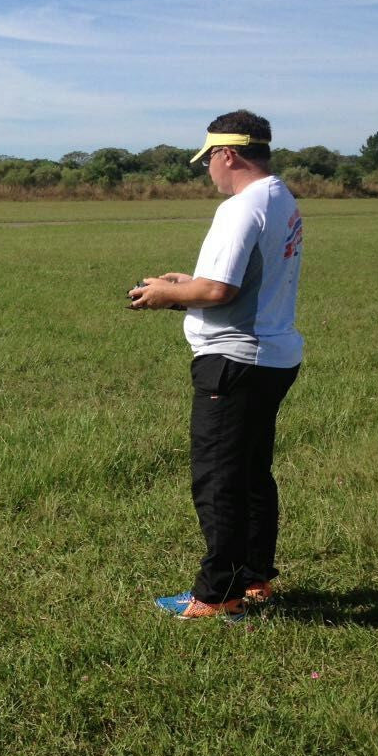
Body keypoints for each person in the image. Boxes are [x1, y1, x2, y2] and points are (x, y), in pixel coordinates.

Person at [129, 110, 303, 620]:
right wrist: (187, 284)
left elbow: (220, 290)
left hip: (233, 360)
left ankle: (217, 595)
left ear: (227, 154)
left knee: (218, 478)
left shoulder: (240, 208)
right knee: (251, 473)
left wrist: (167, 295)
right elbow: (241, 281)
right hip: (271, 356)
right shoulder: (281, 197)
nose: (208, 170)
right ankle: (254, 579)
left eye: (208, 159)